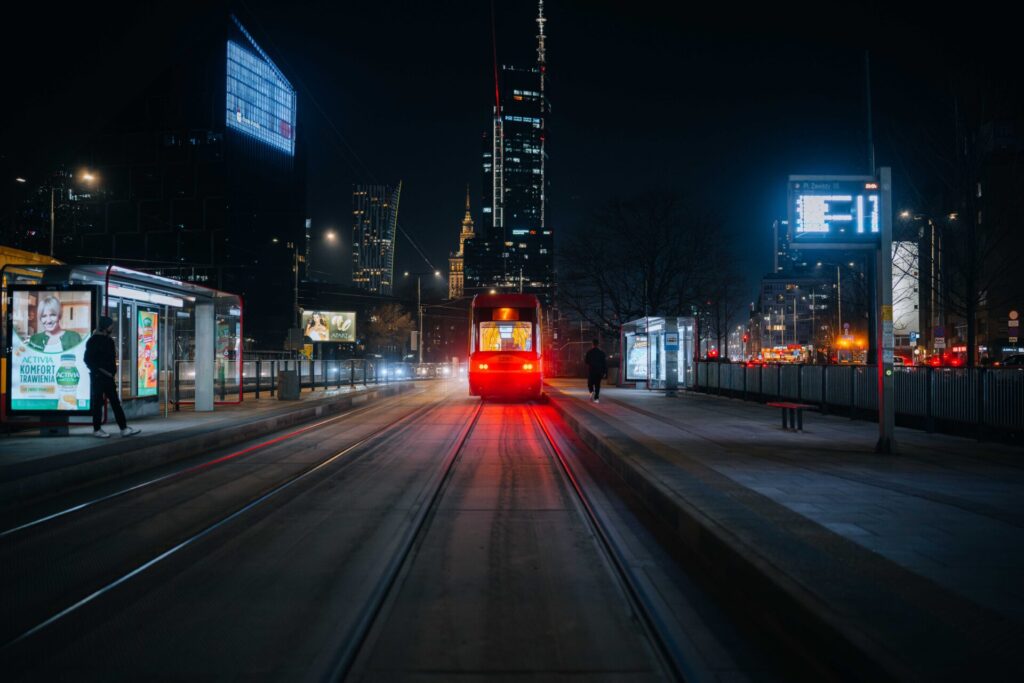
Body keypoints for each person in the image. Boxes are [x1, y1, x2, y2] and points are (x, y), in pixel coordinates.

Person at [84, 316, 140, 438]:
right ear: (105, 326)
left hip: (105, 377)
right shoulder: (97, 341)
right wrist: (101, 370)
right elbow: (88, 359)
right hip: (99, 377)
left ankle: (121, 428)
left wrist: (107, 372)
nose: (112, 327)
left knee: (110, 403)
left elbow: (89, 360)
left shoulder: (103, 340)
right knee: (102, 403)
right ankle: (101, 429)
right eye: (110, 325)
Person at [584, 338, 607, 403]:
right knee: (597, 385)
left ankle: (591, 391)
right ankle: (596, 398)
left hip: (592, 370)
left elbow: (586, 361)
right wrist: (604, 372)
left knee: (590, 383)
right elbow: (604, 363)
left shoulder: (589, 352)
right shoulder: (602, 353)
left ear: (592, 344)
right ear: (598, 344)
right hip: (599, 371)